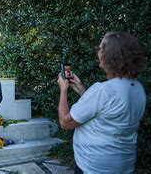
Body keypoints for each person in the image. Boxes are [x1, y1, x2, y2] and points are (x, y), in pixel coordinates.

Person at [57, 32, 146, 173]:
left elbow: (65, 122)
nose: (98, 51)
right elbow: (105, 111)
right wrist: (80, 89)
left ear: (110, 57)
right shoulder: (137, 88)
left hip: (93, 167)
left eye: (101, 48)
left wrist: (63, 89)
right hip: (124, 165)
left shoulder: (102, 91)